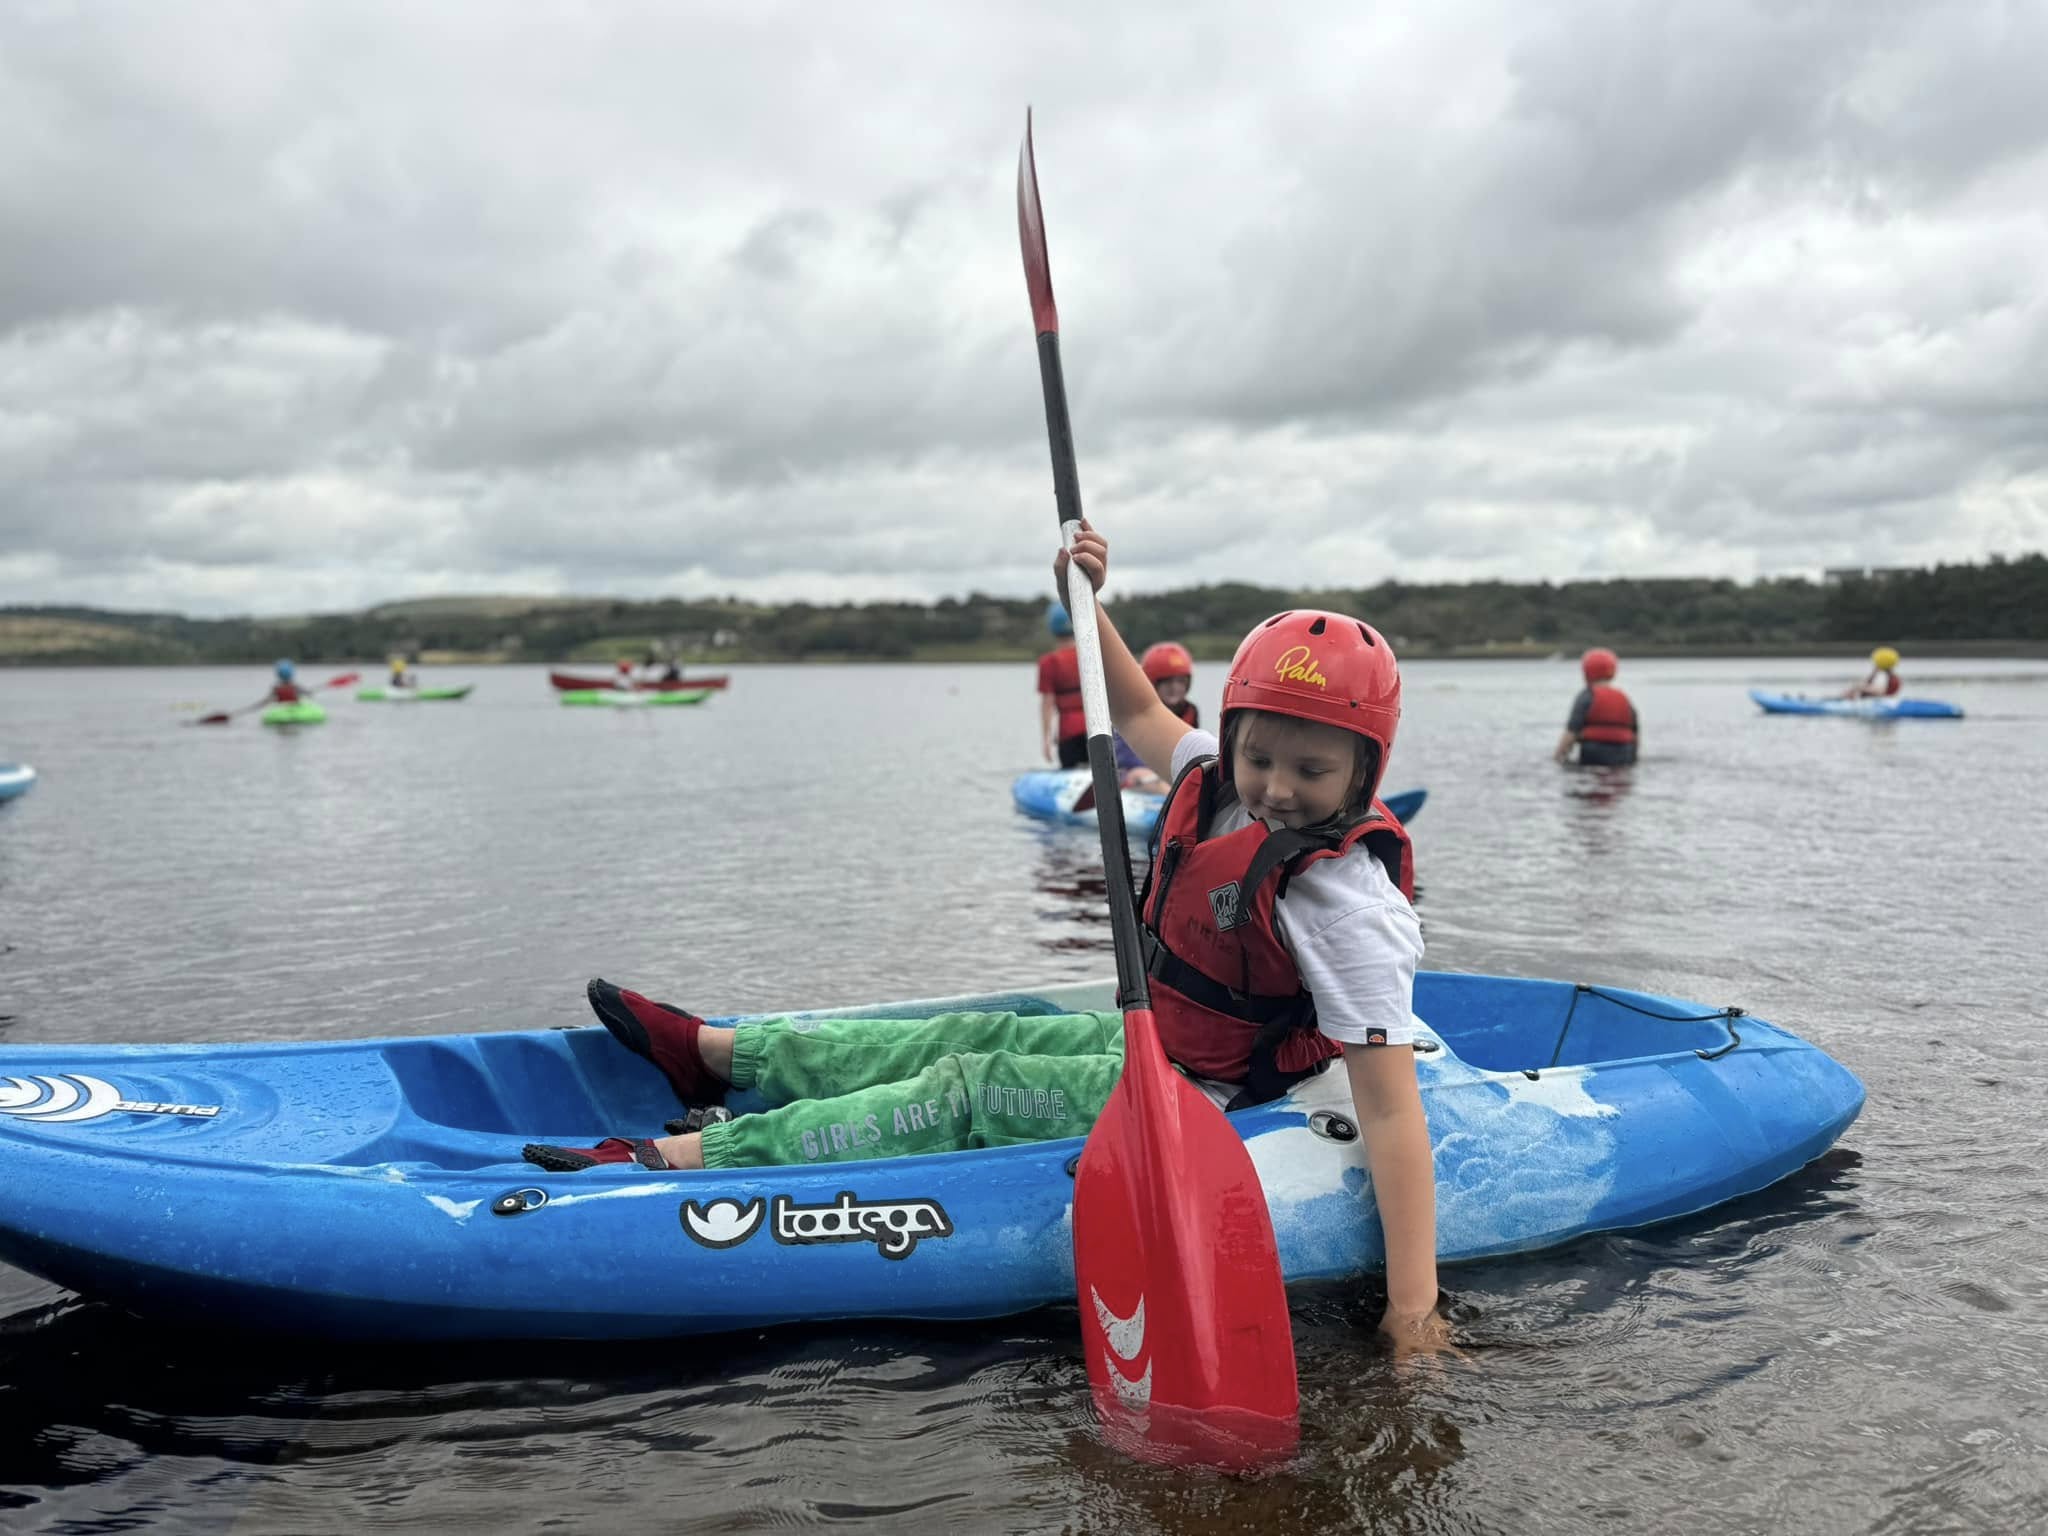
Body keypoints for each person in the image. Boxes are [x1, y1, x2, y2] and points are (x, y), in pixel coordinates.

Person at [521, 524, 1446, 1352]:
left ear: (1365, 769)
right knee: (974, 1031)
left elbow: (1391, 1114)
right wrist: (1085, 599)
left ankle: (699, 1160)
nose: (1277, 788)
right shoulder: (1215, 776)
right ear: (1233, 733)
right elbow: (1133, 713)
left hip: (1214, 1094)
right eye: (1259, 757)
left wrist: (1413, 1311)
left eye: (1311, 770)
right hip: (1161, 1041)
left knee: (971, 1086)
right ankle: (718, 1056)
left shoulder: (1345, 902)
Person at [1113, 641, 1200, 792]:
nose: (1175, 688)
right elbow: (1124, 758)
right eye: (1167, 682)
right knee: (1140, 774)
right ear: (1152, 683)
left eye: (1181, 681)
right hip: (1135, 774)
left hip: (1172, 774)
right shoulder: (1133, 711)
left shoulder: (1190, 711)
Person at [1555, 648, 1638, 767]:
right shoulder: (1624, 699)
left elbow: (1571, 732)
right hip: (1625, 753)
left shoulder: (1586, 696)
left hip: (1594, 754)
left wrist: (1558, 756)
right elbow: (1635, 735)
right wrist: (1634, 757)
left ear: (1587, 672)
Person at [1037, 600, 1087, 767]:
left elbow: (1047, 703)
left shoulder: (1049, 662)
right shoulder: (1090, 655)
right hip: (1097, 728)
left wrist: (1046, 739)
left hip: (1068, 731)